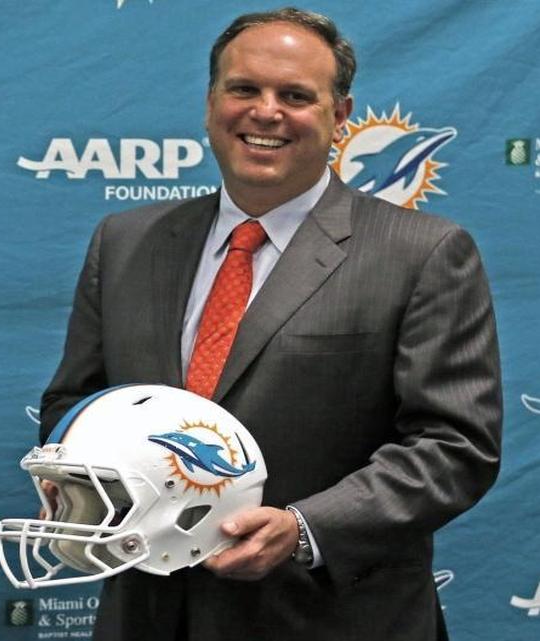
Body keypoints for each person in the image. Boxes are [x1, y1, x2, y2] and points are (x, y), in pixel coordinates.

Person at [39, 8, 501, 641]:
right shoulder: (124, 242)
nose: (265, 112)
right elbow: (77, 402)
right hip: (147, 613)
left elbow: (454, 447)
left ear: (340, 117)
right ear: (209, 104)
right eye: (244, 89)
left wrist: (305, 528)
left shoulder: (421, 253)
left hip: (329, 618)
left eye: (295, 96)